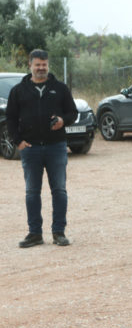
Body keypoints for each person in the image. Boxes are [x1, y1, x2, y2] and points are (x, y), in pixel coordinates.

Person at [6, 49, 77, 248]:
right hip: (30, 149)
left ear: (48, 65)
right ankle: (35, 233)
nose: (41, 68)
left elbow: (73, 113)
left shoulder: (60, 88)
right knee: (32, 192)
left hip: (56, 147)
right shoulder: (18, 91)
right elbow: (10, 118)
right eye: (37, 64)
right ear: (30, 65)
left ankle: (59, 232)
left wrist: (63, 120)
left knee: (59, 190)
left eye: (44, 64)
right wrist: (18, 142)